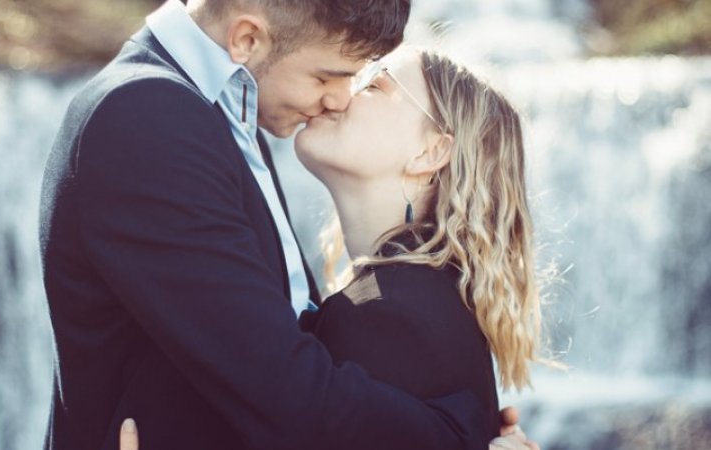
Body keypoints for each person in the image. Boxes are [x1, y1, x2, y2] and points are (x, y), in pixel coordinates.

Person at [39, 0, 536, 448]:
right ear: (247, 39)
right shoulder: (148, 114)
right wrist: (464, 436)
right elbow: (281, 387)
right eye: (328, 76)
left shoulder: (222, 112)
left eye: (365, 81)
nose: (341, 99)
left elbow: (279, 346)